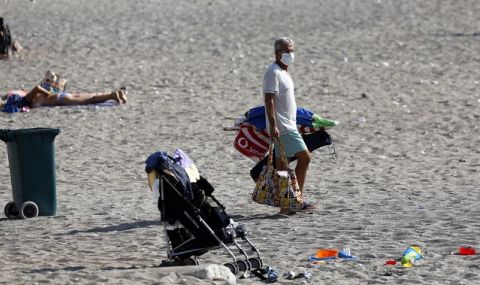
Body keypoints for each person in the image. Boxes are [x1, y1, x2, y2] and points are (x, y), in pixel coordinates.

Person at [263, 37, 313, 215]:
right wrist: (274, 125)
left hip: (289, 123)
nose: (290, 54)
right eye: (286, 51)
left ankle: (287, 206)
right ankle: (295, 200)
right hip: (283, 126)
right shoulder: (273, 72)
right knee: (305, 157)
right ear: (277, 53)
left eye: (292, 50)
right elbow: (269, 100)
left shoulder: (284, 72)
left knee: (282, 166)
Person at [1, 85, 127, 111]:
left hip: (60, 99)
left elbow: (37, 88)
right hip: (61, 96)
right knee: (89, 97)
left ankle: (112, 95)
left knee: (89, 100)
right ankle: (119, 94)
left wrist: (48, 94)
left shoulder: (27, 100)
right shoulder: (24, 98)